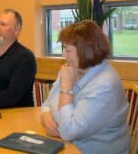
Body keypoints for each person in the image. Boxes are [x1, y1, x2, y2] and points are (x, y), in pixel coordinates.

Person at [41, 20, 130, 154]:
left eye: (68, 50)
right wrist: (46, 116)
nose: (63, 55)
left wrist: (65, 88)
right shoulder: (73, 68)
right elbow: (47, 104)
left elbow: (68, 131)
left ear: (86, 51)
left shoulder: (105, 85)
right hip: (70, 147)